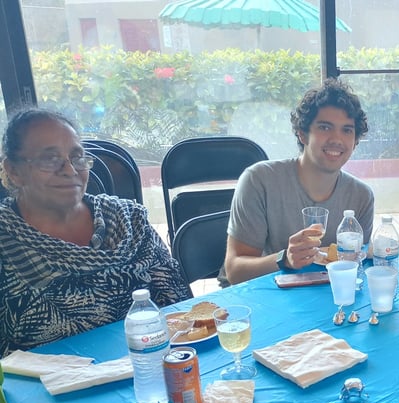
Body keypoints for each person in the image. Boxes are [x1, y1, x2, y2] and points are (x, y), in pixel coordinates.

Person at [0, 108, 192, 357]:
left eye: (77, 157)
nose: (70, 170)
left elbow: (180, 308)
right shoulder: (6, 241)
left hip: (151, 366)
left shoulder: (129, 221)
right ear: (13, 171)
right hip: (44, 380)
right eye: (50, 159)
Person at [224, 78, 375, 284]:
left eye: (347, 130)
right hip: (266, 293)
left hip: (328, 294)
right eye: (325, 127)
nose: (336, 139)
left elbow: (356, 267)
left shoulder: (361, 196)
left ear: (355, 141)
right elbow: (234, 271)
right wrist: (285, 258)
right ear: (302, 134)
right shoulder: (260, 180)